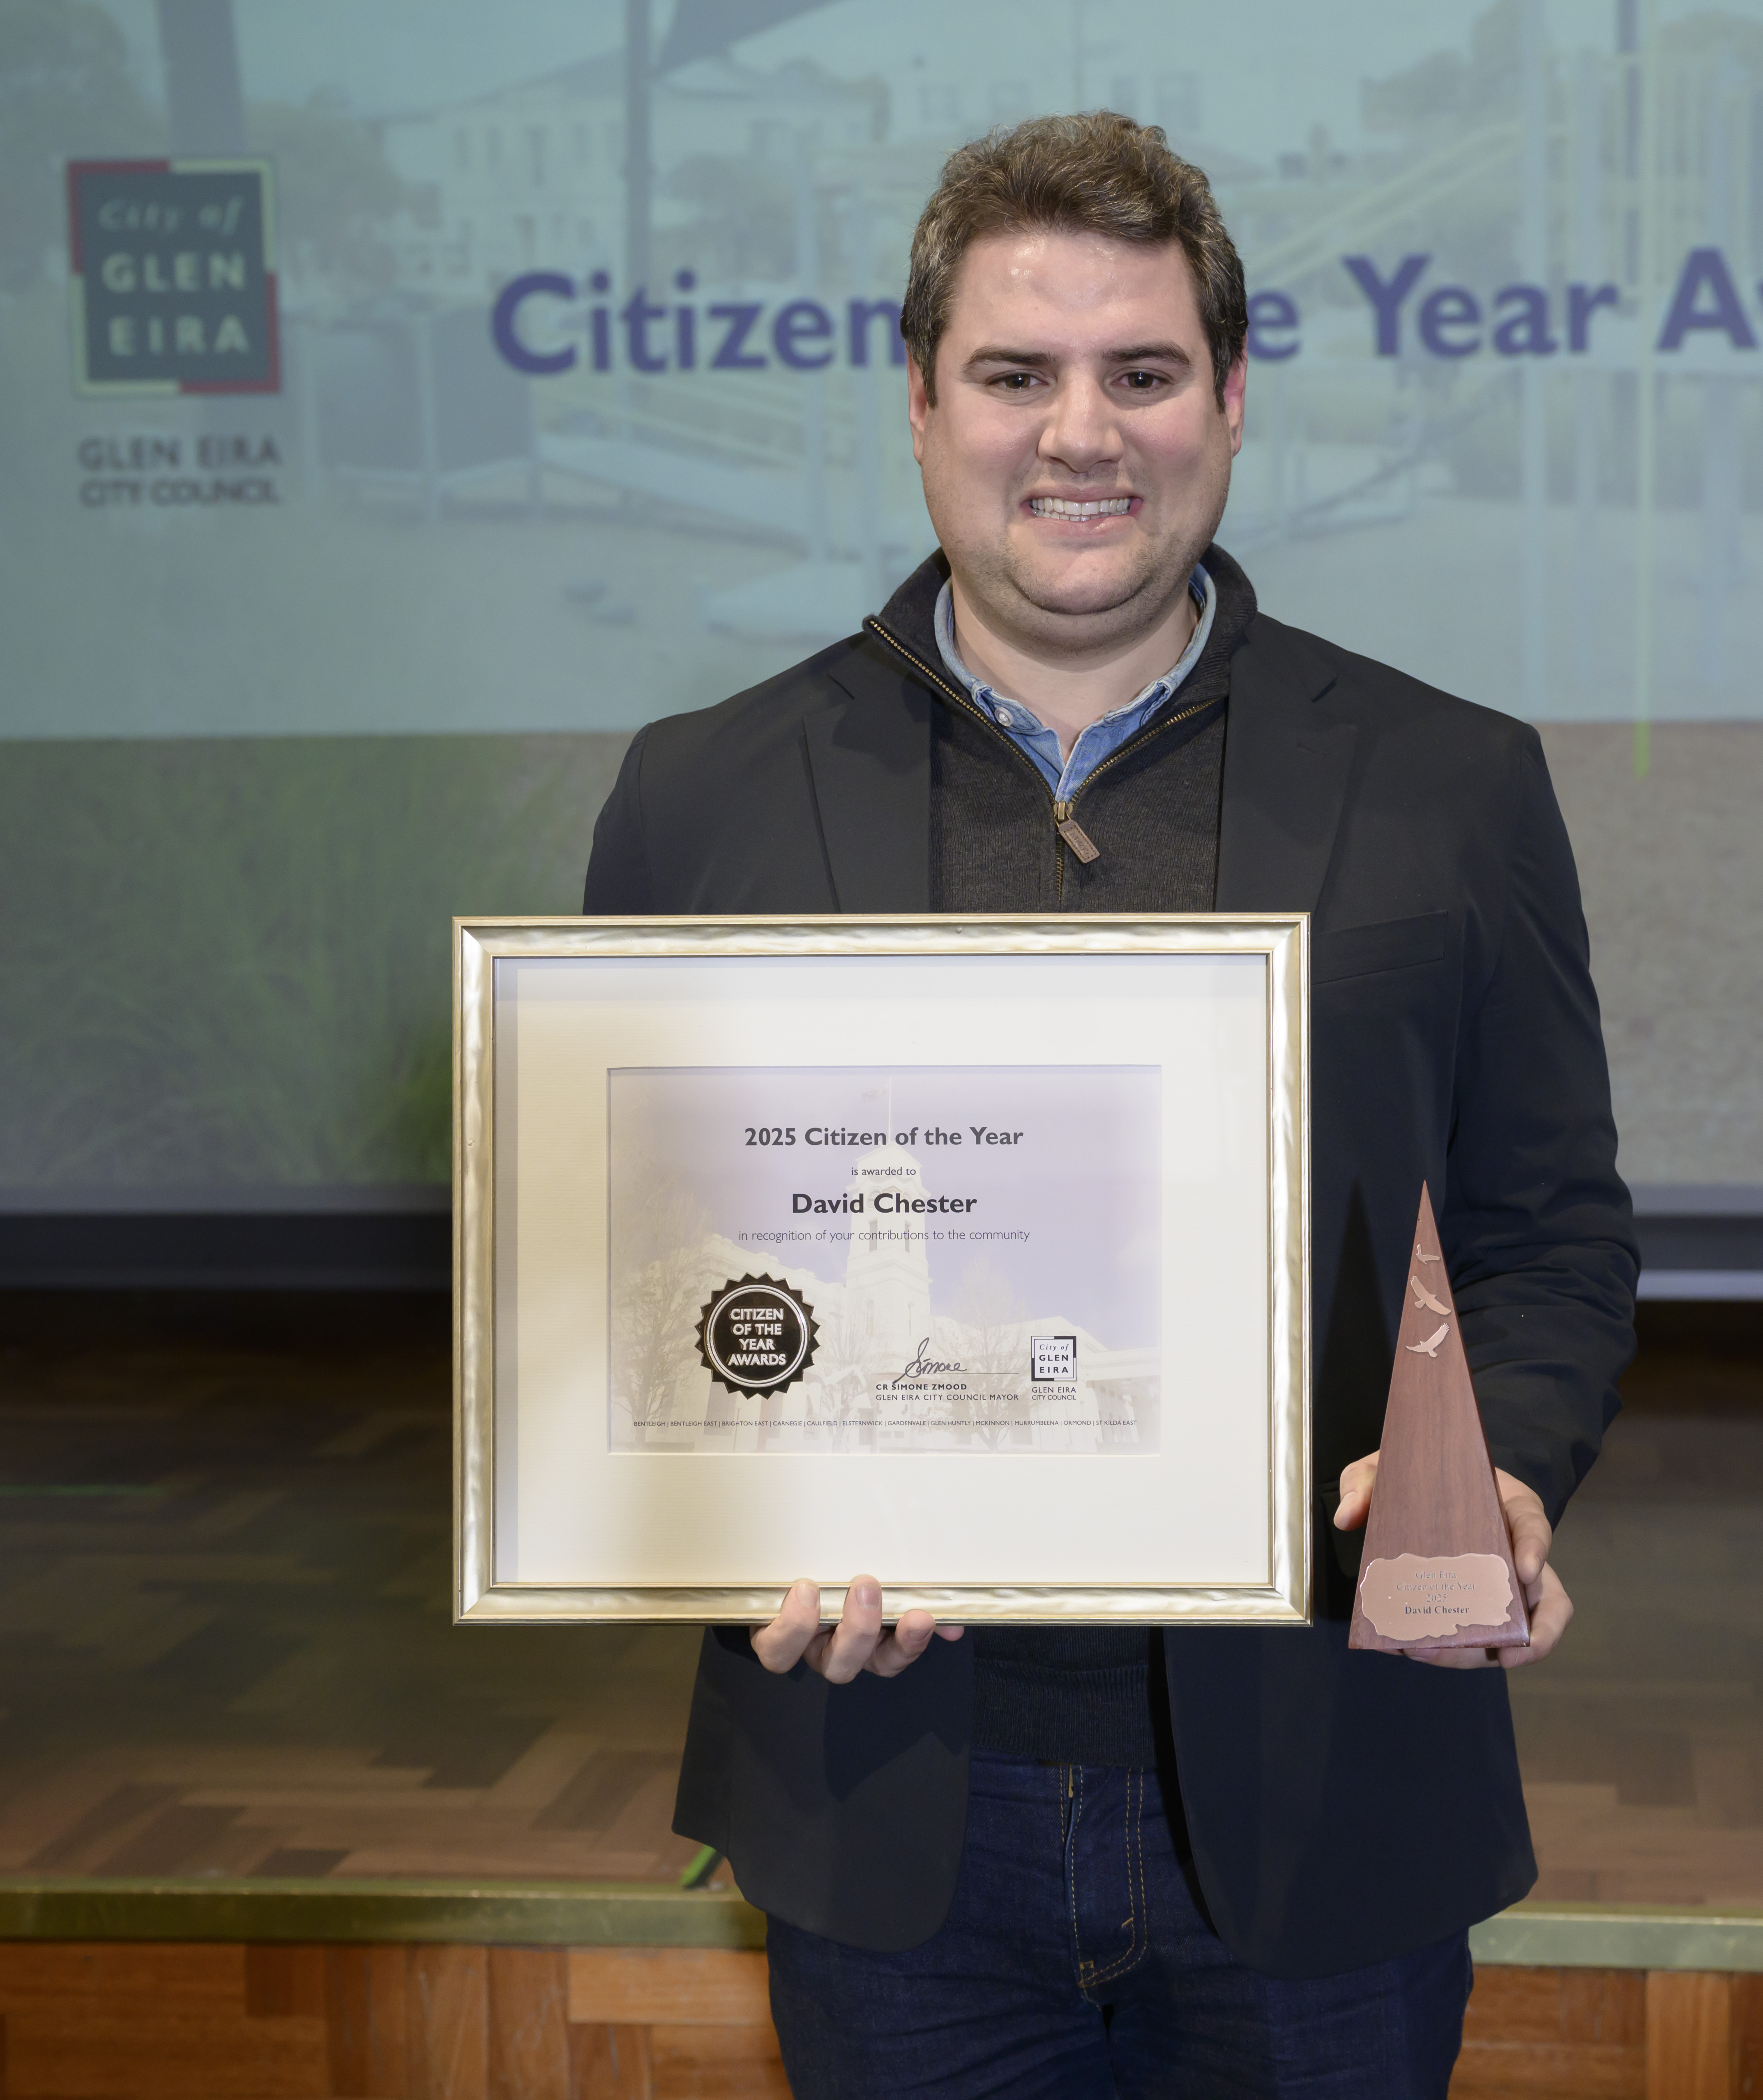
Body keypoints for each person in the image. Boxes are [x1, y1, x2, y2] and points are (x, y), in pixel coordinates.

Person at [582, 112, 1636, 2098]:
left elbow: (1553, 1234)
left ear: (1230, 404)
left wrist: (1503, 1473)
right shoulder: (699, 791)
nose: (1085, 431)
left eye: (1143, 373)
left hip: (1328, 1789)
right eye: (1016, 374)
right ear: (920, 406)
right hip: (885, 1789)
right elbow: (625, 1287)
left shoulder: (1455, 783)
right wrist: (725, 1518)